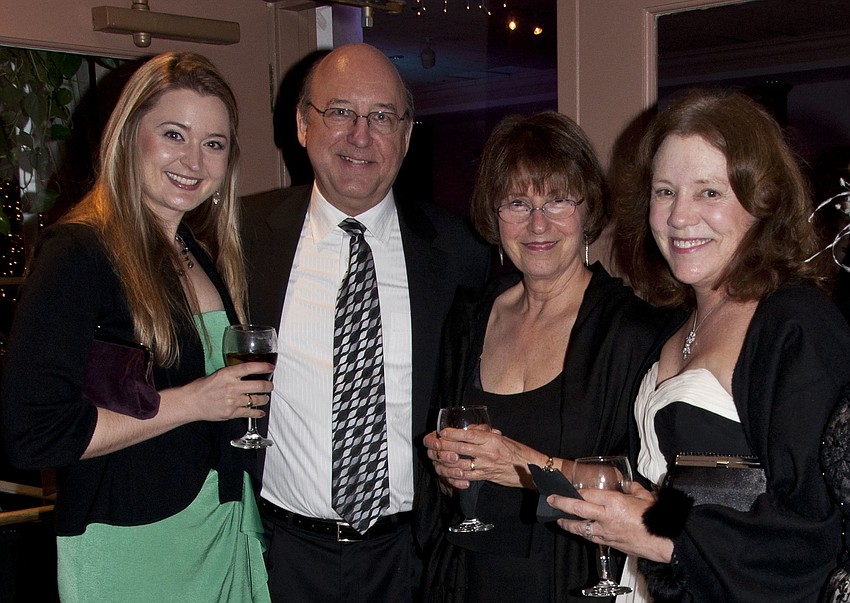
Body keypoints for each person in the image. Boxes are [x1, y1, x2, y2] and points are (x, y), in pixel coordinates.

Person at [547, 89, 850, 602]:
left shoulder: (796, 325)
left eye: (709, 192)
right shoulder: (677, 324)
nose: (679, 217)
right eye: (665, 192)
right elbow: (683, 501)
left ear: (763, 200)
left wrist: (663, 537)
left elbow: (812, 535)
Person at [0, 51, 273, 602]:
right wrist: (194, 402)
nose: (193, 160)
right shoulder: (79, 253)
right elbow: (32, 434)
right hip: (131, 541)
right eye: (174, 134)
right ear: (129, 136)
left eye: (213, 144)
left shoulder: (196, 250)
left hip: (220, 524)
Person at [239, 42, 490, 602]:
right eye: (340, 112)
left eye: (381, 117)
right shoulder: (241, 238)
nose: (360, 135)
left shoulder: (459, 252)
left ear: (405, 135)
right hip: (281, 555)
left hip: (410, 558)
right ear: (304, 124)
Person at [417, 111, 670, 602]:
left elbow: (639, 490)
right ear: (494, 214)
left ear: (588, 210)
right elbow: (446, 485)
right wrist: (447, 469)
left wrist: (521, 464)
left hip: (574, 582)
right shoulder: (470, 318)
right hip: (467, 580)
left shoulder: (634, 331)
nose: (538, 223)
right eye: (517, 202)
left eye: (558, 200)